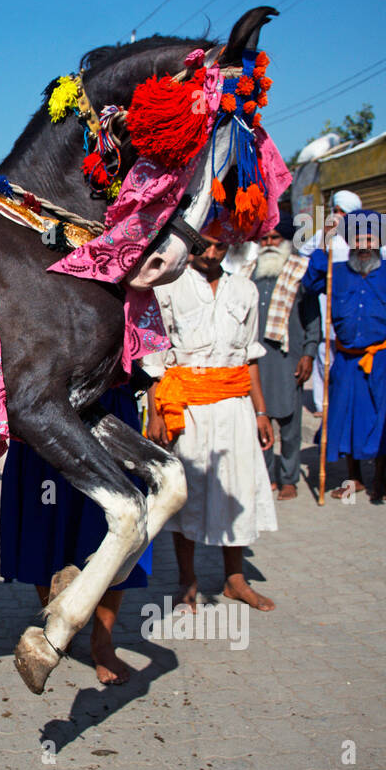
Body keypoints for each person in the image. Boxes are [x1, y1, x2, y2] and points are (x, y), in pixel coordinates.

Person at [144, 235, 277, 612]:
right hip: (186, 407)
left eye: (220, 246)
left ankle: (235, 579)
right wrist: (155, 413)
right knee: (187, 493)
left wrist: (262, 412)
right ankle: (187, 579)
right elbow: (156, 355)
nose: (212, 253)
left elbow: (250, 357)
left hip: (235, 407)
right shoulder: (168, 285)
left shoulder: (244, 290)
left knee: (236, 488)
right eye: (204, 246)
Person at [0, 386, 153, 685]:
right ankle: (56, 626)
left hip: (110, 405)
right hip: (42, 405)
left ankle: (103, 641)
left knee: (116, 529)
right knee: (43, 524)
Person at [302, 211, 386, 502]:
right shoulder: (336, 270)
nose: (363, 245)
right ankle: (355, 479)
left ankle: (382, 480)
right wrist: (324, 240)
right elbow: (310, 284)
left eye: (369, 238)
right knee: (347, 418)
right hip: (348, 360)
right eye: (357, 239)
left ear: (380, 241)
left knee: (384, 418)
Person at [238, 213, 319, 500]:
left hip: (288, 357)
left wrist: (309, 353)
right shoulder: (247, 272)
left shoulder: (301, 272)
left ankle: (288, 479)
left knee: (289, 423)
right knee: (260, 419)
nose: (270, 243)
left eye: (276, 238)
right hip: (255, 359)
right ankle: (267, 475)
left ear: (286, 241)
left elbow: (312, 319)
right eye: (265, 239)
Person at [300, 189, 360, 415]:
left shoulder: (360, 235)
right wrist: (324, 238)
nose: (337, 215)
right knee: (324, 355)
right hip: (326, 303)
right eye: (334, 210)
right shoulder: (323, 234)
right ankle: (321, 403)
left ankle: (344, 401)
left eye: (342, 212)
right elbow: (304, 253)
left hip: (350, 303)